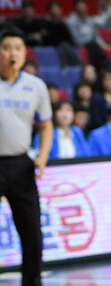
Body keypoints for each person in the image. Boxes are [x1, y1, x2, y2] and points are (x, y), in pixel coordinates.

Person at [0, 25, 53, 286]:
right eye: (6, 48)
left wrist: (42, 156)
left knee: (31, 232)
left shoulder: (36, 86)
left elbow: (46, 125)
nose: (12, 53)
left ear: (24, 53)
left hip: (21, 164)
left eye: (18, 48)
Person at [66, 0, 110, 68]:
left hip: (92, 44)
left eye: (84, 6)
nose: (83, 8)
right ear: (76, 7)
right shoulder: (71, 21)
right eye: (80, 6)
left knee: (97, 47)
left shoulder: (89, 19)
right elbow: (76, 39)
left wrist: (103, 44)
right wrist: (89, 41)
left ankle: (103, 66)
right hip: (80, 44)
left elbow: (96, 35)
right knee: (93, 47)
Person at [43, 0, 83, 67]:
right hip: (55, 45)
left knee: (65, 46)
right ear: (49, 11)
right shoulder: (46, 24)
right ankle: (65, 67)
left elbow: (69, 38)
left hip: (65, 46)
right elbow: (47, 38)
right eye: (54, 9)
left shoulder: (64, 24)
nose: (56, 10)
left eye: (57, 8)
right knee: (62, 46)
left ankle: (78, 64)